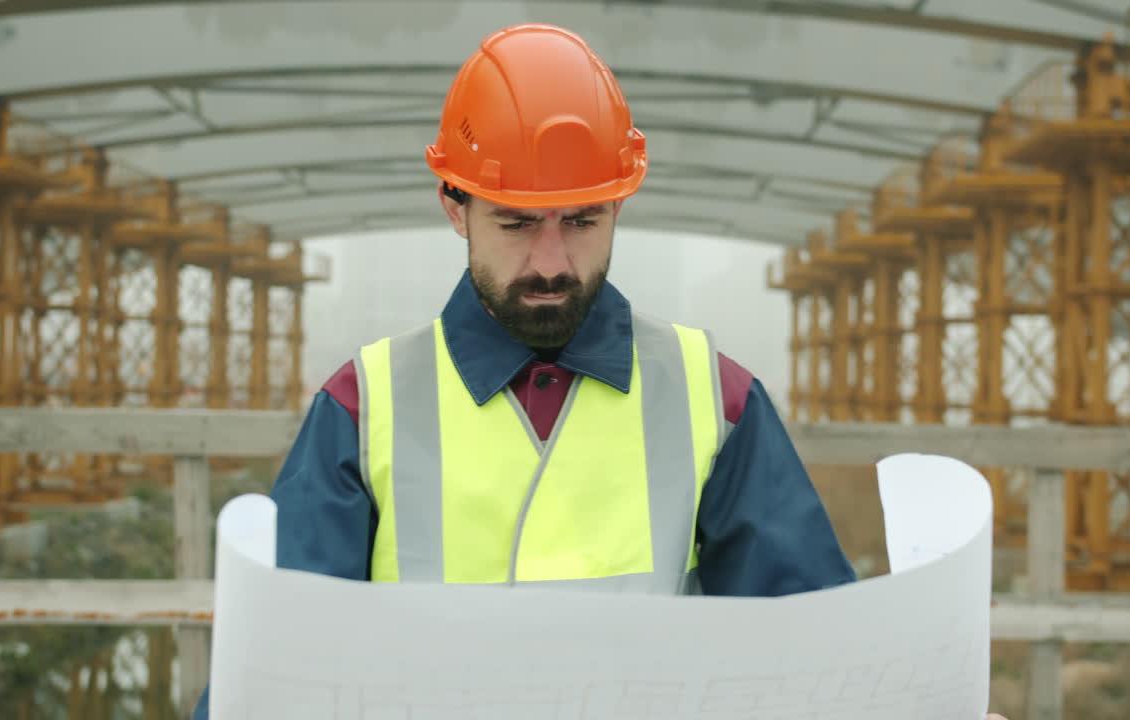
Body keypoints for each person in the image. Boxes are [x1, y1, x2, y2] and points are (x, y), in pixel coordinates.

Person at [194, 23, 1004, 720]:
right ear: (455, 207)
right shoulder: (362, 409)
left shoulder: (715, 401)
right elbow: (273, 670)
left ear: (620, 206)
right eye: (515, 223)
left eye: (582, 221)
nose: (552, 263)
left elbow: (822, 652)